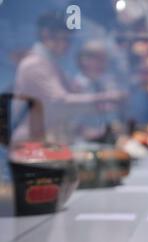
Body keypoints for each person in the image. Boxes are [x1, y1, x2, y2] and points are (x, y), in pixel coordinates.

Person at [14, 11, 125, 144]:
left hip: (43, 141)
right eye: (65, 38)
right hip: (31, 143)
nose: (68, 45)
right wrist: (106, 97)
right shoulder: (35, 64)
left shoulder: (48, 63)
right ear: (46, 34)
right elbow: (60, 102)